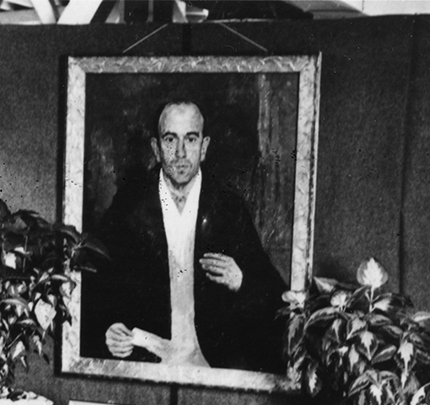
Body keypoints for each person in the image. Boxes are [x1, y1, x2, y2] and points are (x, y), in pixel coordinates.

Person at [80, 100, 287, 373]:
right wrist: (111, 328)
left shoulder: (228, 207)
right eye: (170, 139)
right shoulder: (129, 206)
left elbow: (275, 295)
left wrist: (241, 281)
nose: (180, 152)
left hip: (213, 360)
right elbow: (97, 284)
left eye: (190, 139)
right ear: (155, 148)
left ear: (204, 147)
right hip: (148, 355)